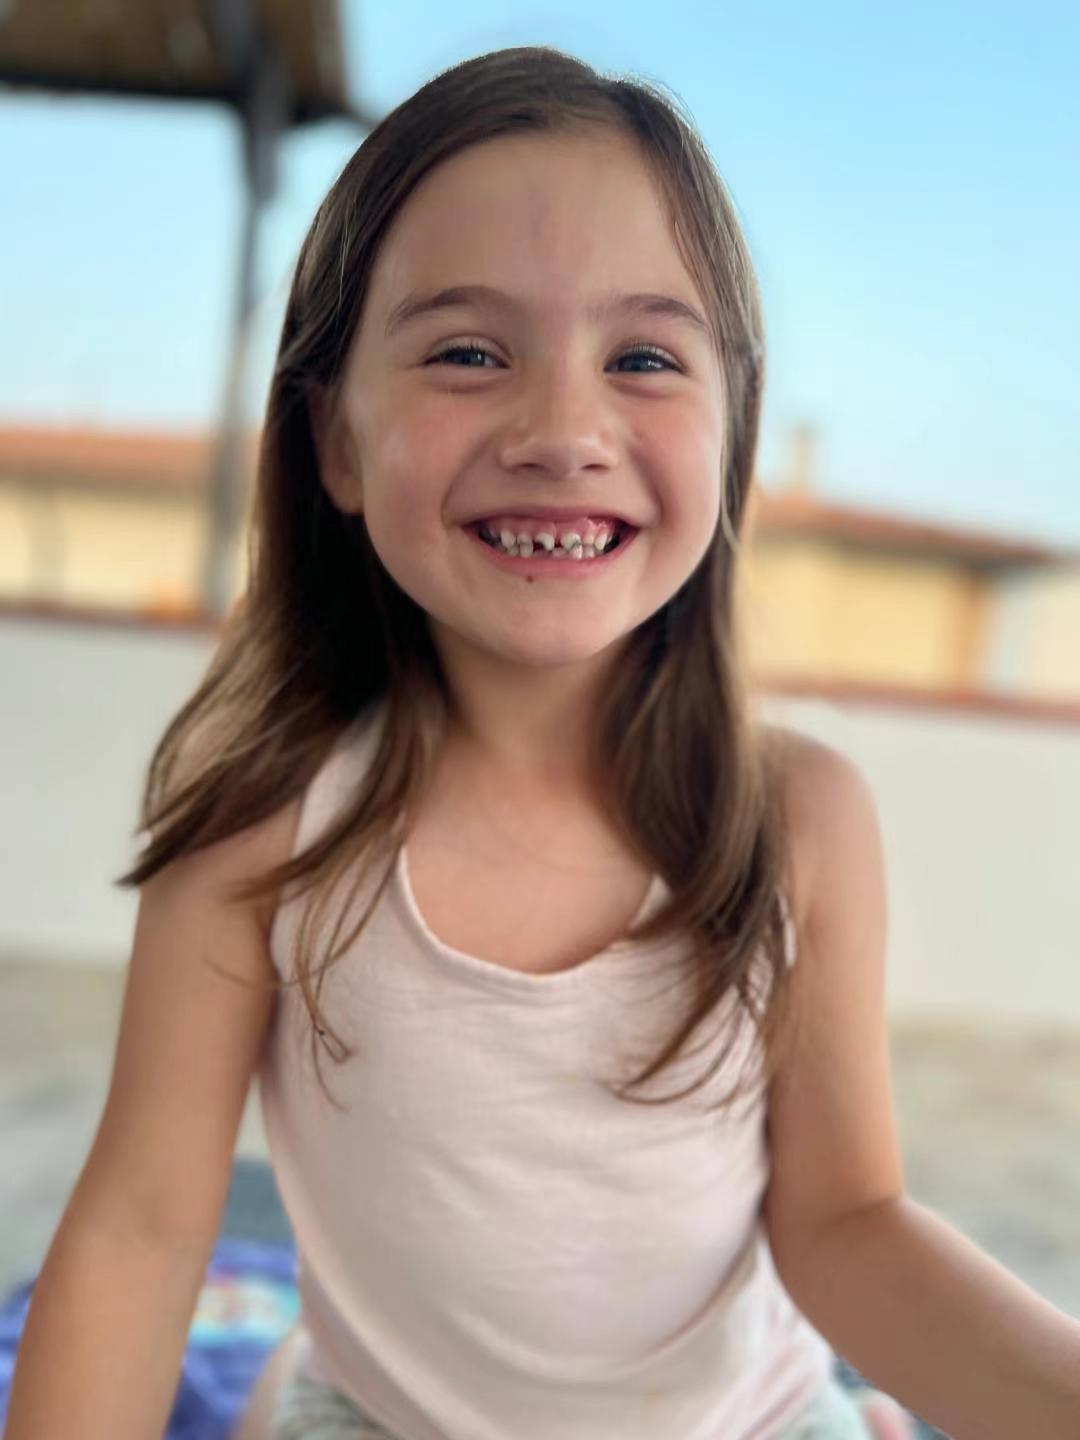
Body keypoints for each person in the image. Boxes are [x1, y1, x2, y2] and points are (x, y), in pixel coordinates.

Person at [6, 44, 1079, 1440]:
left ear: (733, 431)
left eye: (643, 358)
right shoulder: (260, 826)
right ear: (335, 442)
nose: (563, 431)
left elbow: (847, 1222)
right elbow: (144, 1226)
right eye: (467, 352)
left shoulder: (797, 818)